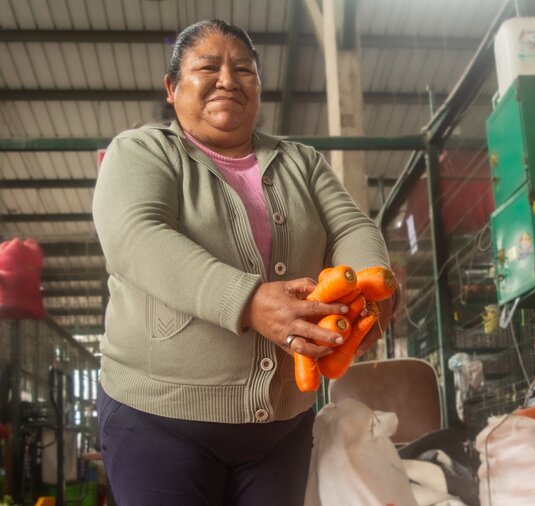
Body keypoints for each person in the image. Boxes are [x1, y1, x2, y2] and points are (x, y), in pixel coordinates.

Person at [92, 19, 391, 505]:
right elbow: (136, 237)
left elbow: (353, 228)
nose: (228, 80)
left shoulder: (303, 163)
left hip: (280, 426)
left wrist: (369, 292)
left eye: (244, 70)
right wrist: (250, 301)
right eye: (208, 67)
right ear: (172, 88)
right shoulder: (142, 151)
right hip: (158, 419)